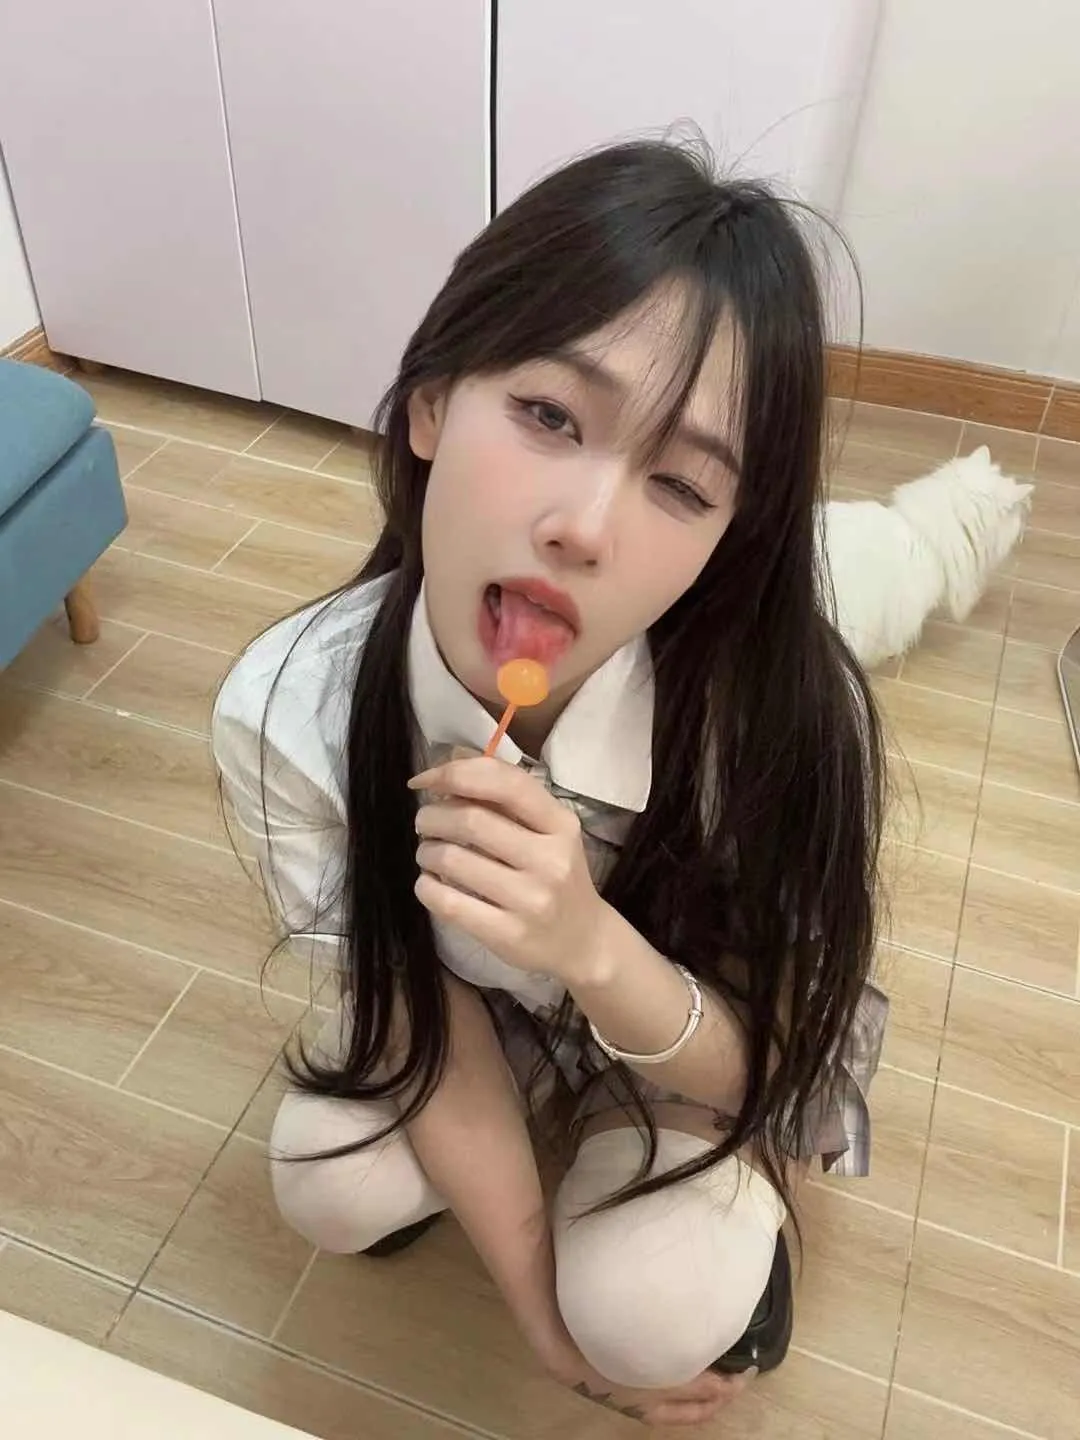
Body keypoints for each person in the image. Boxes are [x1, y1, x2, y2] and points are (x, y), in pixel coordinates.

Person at [213, 140, 888, 1429]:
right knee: (330, 1184)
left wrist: (588, 940)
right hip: (487, 1015)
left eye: (680, 484)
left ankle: (724, 1226)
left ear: (723, 543)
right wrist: (538, 1315)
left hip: (688, 1022)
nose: (583, 525)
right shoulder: (288, 712)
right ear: (430, 406)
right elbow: (416, 1014)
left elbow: (770, 1059)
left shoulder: (773, 727)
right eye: (549, 417)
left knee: (650, 1311)